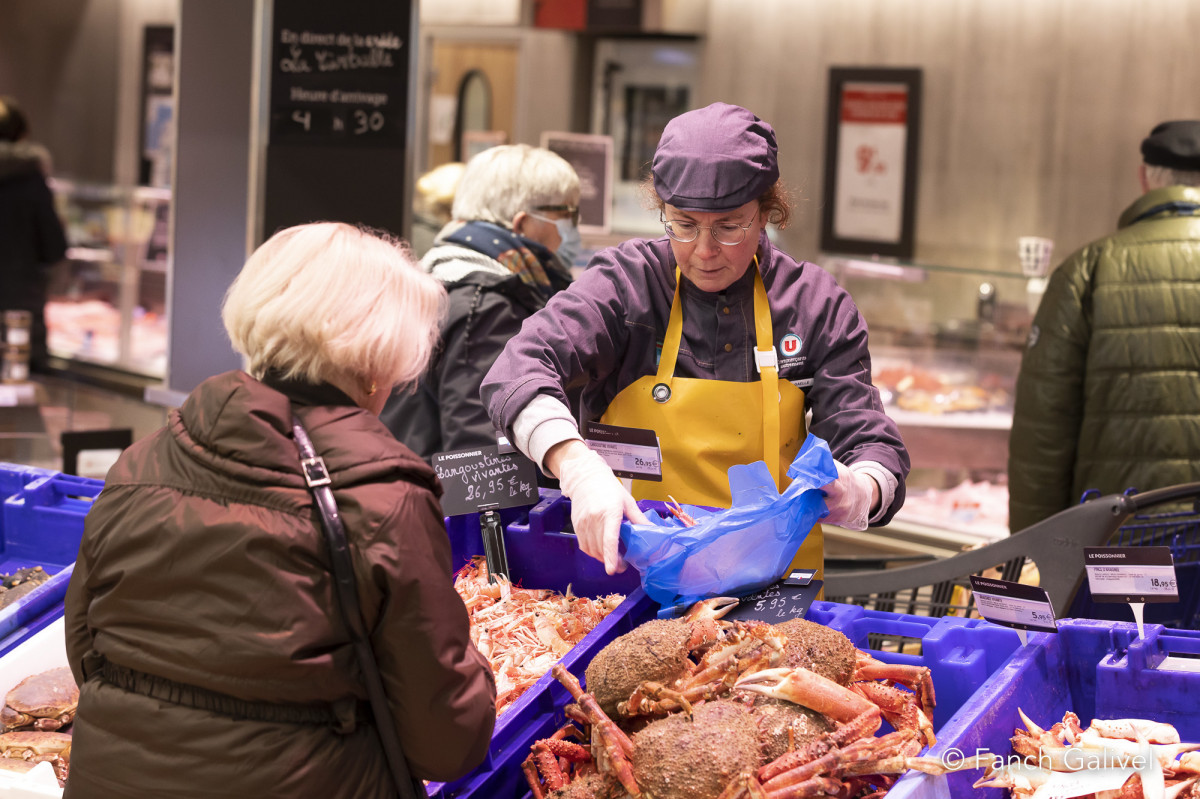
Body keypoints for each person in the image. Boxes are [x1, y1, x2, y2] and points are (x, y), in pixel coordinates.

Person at [63, 223, 496, 798]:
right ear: (375, 365)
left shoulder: (142, 461)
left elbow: (86, 646)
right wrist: (483, 675)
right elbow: (445, 742)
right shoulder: (384, 494)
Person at [481, 103, 909, 577]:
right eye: (683, 224)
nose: (703, 251)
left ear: (767, 213)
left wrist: (861, 488)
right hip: (635, 579)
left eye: (728, 227)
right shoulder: (628, 284)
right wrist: (576, 466)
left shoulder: (814, 304)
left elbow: (868, 439)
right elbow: (516, 372)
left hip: (776, 589)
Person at [1008, 120, 1200, 532]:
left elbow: (1044, 434)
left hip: (1121, 553)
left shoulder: (1089, 269)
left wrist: (1031, 554)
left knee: (1131, 602)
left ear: (1145, 177)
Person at [382, 144, 580, 461]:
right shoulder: (487, 304)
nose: (574, 230)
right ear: (523, 224)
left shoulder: (435, 273)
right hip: (449, 504)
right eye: (568, 215)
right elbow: (481, 448)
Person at [0, 95, 67, 366]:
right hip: (18, 314)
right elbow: (54, 247)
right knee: (19, 397)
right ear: (22, 135)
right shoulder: (30, 178)